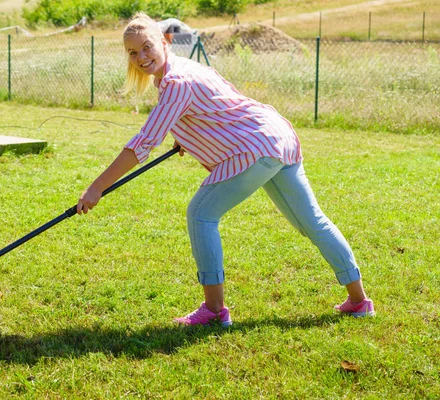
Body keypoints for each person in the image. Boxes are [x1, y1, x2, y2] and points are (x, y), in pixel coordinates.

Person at [76, 13, 375, 326]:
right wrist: (186, 137)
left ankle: (215, 312)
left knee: (201, 214)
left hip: (255, 149)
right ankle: (359, 301)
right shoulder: (183, 68)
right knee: (312, 221)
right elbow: (217, 107)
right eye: (133, 52)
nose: (141, 57)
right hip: (276, 137)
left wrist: (97, 187)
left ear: (164, 42)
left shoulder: (177, 81)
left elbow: (144, 142)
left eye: (147, 47)